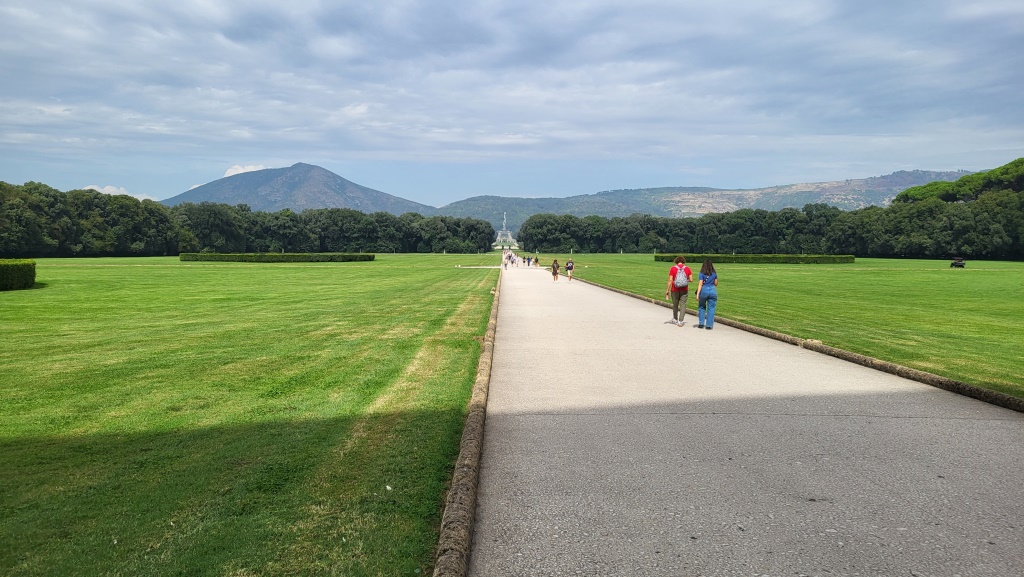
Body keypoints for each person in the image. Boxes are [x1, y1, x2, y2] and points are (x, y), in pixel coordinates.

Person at [664, 256, 693, 326]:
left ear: (676, 261)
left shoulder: (673, 268)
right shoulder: (687, 268)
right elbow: (691, 280)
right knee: (683, 305)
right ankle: (681, 320)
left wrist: (667, 290)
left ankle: (675, 318)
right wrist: (684, 281)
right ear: (683, 261)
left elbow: (670, 280)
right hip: (684, 289)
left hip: (675, 289)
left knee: (675, 304)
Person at [695, 259, 718, 330]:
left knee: (702, 306)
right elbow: (716, 283)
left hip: (704, 290)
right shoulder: (714, 273)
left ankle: (701, 323)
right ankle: (709, 325)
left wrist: (697, 294)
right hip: (712, 290)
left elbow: (700, 284)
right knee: (711, 308)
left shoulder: (701, 274)